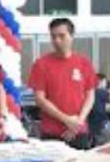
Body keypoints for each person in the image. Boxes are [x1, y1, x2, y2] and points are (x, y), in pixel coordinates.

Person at [27, 18, 97, 149]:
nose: (57, 40)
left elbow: (90, 95)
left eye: (62, 36)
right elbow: (40, 99)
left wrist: (78, 122)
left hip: (78, 131)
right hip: (51, 133)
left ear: (71, 36)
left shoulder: (83, 63)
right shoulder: (41, 64)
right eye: (53, 37)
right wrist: (66, 120)